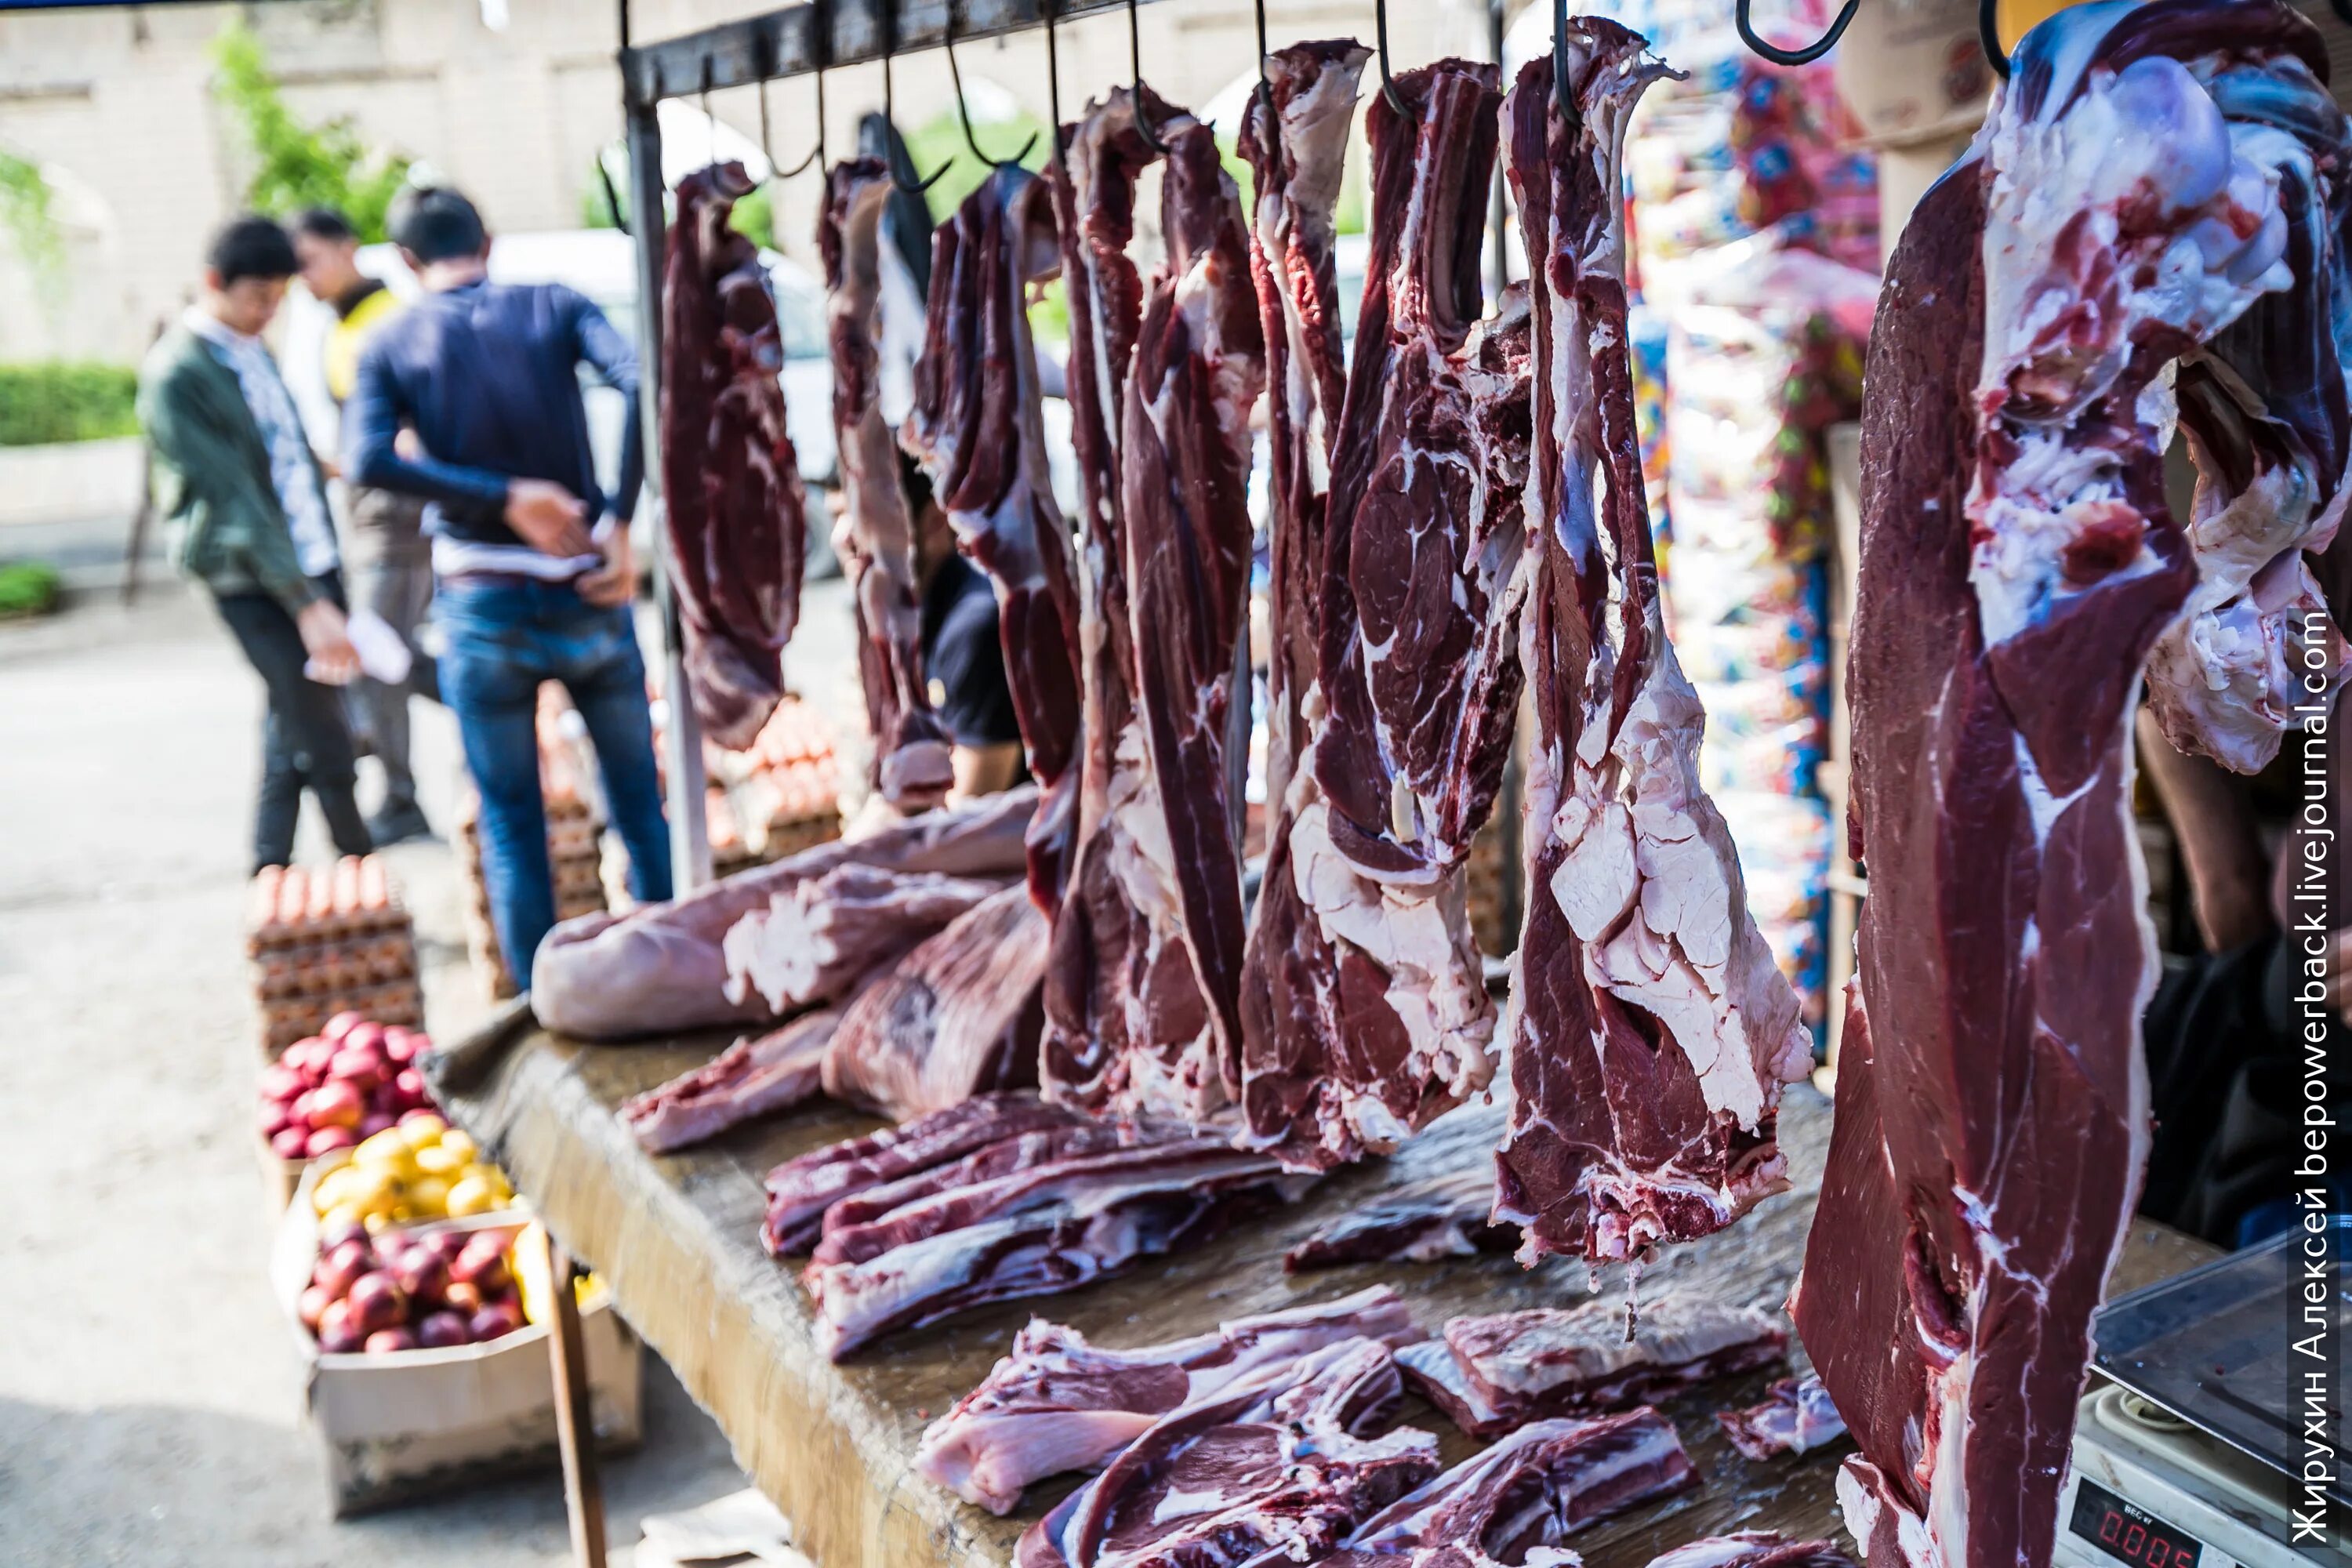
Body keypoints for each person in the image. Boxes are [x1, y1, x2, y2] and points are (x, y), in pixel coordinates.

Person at [343, 184, 670, 991]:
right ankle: (672, 973)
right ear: (488, 239)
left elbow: (367, 459)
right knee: (636, 800)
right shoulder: (554, 305)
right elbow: (641, 383)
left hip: (482, 608)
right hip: (587, 586)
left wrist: (495, 497)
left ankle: (540, 1009)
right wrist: (619, 519)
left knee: (513, 821)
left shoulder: (391, 341)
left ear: (409, 262)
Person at [140, 215, 372, 873]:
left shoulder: (248, 347)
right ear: (214, 282)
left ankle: (268, 868)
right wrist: (305, 602)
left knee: (290, 715)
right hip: (252, 576)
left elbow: (276, 447)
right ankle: (362, 868)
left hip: (307, 558)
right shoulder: (178, 373)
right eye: (256, 298)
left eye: (277, 298)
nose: (267, 312)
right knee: (323, 726)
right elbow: (232, 498)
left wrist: (326, 465)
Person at [290, 206, 437, 846]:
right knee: (394, 653)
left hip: (396, 518)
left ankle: (402, 797)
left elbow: (412, 424)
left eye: (309, 262)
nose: (304, 279)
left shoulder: (391, 321)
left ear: (348, 249)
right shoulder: (340, 325)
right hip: (366, 510)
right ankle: (526, 703)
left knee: (377, 651)